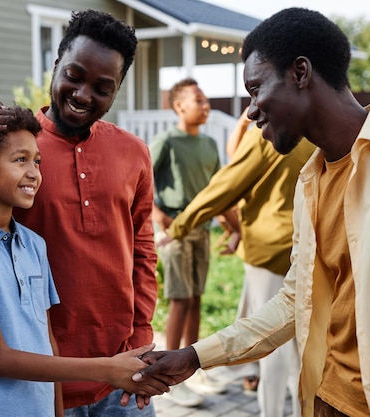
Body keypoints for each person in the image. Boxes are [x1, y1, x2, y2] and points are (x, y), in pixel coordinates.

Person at [133, 7, 370, 417]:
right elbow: (295, 300)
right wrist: (194, 356)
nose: (251, 110)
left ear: (301, 73)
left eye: (256, 90)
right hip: (323, 402)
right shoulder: (309, 183)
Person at [0, 9, 160, 416]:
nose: (83, 94)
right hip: (35, 379)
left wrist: (141, 333)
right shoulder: (11, 148)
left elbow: (143, 248)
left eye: (102, 87)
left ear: (117, 90)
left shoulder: (134, 152)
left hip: (120, 373)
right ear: (56, 64)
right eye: (75, 75)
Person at [161, 107, 315, 416]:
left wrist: (179, 227)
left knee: (270, 341)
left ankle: (271, 412)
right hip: (307, 247)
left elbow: (225, 186)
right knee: (303, 343)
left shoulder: (269, 137)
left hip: (268, 250)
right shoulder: (315, 135)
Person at [149, 78, 224, 407]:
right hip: (174, 230)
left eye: (206, 99)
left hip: (202, 230)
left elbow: (219, 191)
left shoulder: (209, 145)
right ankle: (168, 375)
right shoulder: (167, 141)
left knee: (195, 298)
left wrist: (233, 228)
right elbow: (141, 180)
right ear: (179, 106)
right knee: (179, 300)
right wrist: (158, 217)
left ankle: (191, 367)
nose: (205, 105)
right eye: (198, 99)